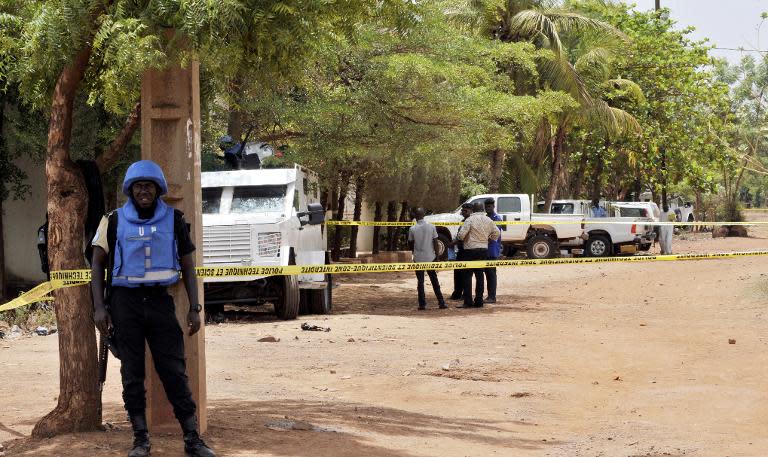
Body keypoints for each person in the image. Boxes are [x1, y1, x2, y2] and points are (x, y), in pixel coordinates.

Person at [91, 160, 216, 457]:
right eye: (138, 186)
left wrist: (195, 307)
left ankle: (192, 439)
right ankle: (140, 439)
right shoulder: (113, 220)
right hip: (124, 303)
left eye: (148, 186)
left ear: (158, 189)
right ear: (130, 190)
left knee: (174, 371)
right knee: (132, 374)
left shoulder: (174, 219)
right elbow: (96, 263)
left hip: (161, 302)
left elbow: (188, 264)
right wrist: (98, 308)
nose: (143, 191)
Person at [456, 202, 500, 308]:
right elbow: (497, 233)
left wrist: (461, 238)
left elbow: (461, 235)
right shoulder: (488, 220)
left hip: (470, 250)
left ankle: (468, 301)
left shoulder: (469, 220)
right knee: (480, 276)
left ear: (473, 209)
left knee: (467, 276)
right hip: (483, 250)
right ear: (483, 209)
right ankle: (479, 301)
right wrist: (489, 240)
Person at [408, 208, 446, 310]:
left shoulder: (412, 229)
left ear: (415, 216)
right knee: (434, 280)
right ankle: (441, 302)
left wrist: (414, 253)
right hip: (431, 257)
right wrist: (437, 257)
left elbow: (411, 244)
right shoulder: (432, 227)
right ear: (424, 215)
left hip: (418, 258)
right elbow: (435, 243)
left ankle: (422, 304)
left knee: (420, 282)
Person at [449, 204, 472, 300]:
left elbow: (462, 237)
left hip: (467, 250)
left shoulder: (470, 221)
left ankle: (465, 294)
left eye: (465, 211)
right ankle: (457, 293)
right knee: (458, 272)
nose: (463, 212)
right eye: (462, 210)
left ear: (471, 211)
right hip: (460, 250)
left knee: (465, 274)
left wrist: (453, 243)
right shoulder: (463, 221)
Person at [484, 198, 503, 304]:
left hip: (492, 250)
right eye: (486, 207)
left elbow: (494, 235)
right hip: (485, 250)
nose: (488, 208)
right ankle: (489, 295)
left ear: (493, 206)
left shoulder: (497, 218)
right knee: (487, 273)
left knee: (491, 273)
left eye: (489, 206)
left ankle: (492, 296)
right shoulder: (486, 218)